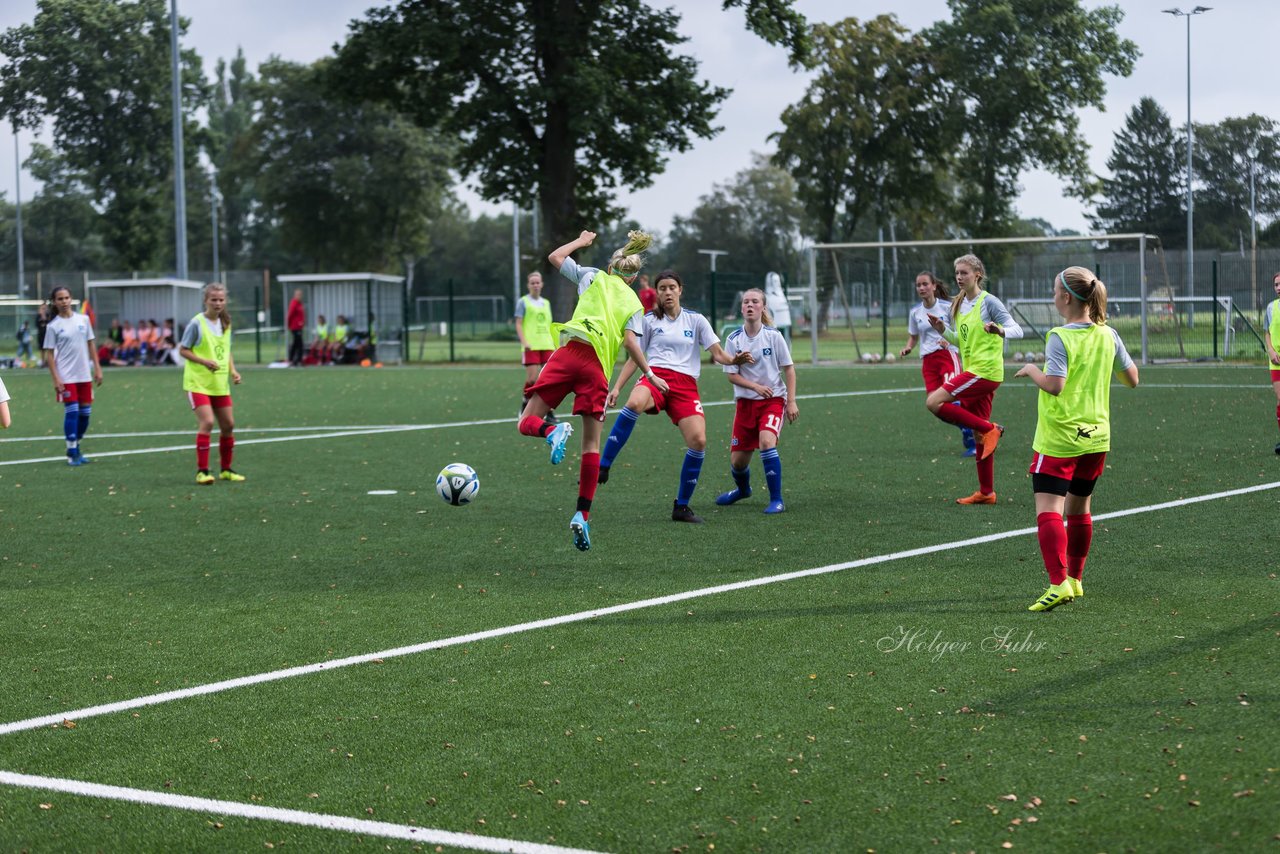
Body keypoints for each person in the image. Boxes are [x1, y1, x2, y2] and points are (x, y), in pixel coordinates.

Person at [519, 229, 668, 552]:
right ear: (632, 278)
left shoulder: (593, 276)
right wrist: (650, 374)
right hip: (596, 368)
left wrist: (581, 242)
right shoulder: (633, 302)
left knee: (526, 422)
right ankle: (582, 515)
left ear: (612, 267)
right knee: (590, 446)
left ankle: (551, 432)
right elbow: (630, 343)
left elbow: (555, 258)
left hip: (569, 353)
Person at [1013, 266, 1139, 611]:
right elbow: (1132, 379)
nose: (1053, 296)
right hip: (1097, 436)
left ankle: (1058, 583)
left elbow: (1055, 385)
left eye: (1055, 291)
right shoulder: (1108, 335)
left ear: (1066, 297)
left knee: (1049, 510)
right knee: (1080, 507)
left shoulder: (1060, 336)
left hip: (1060, 437)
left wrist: (1031, 370)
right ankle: (1077, 580)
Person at [598, 269, 754, 522]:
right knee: (635, 402)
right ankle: (603, 465)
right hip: (656, 376)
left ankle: (681, 507)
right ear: (657, 293)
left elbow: (717, 353)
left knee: (699, 441)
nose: (667, 292)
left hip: (686, 385)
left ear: (680, 290)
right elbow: (635, 358)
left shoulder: (696, 320)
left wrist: (733, 359)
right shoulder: (648, 320)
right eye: (662, 288)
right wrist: (616, 387)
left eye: (672, 287)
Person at [925, 253, 1024, 505]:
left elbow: (1017, 329)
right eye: (957, 273)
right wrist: (942, 331)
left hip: (984, 372)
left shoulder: (989, 302)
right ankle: (986, 492)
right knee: (980, 435)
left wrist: (999, 329)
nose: (959, 277)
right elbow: (961, 340)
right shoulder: (957, 304)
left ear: (977, 275)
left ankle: (991, 429)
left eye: (964, 273)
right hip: (973, 371)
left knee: (934, 402)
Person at [714, 288, 799, 514]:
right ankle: (743, 491)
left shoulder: (774, 336)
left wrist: (791, 401)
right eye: (746, 302)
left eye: (755, 302)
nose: (750, 305)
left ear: (763, 307)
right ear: (741, 308)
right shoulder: (734, 339)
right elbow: (731, 374)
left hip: (773, 400)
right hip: (745, 405)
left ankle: (776, 500)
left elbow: (789, 370)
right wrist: (754, 387)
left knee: (766, 442)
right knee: (738, 463)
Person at [900, 271, 976, 456]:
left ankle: (975, 434)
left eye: (925, 284)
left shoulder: (948, 307)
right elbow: (913, 336)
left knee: (953, 398)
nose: (922, 288)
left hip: (947, 356)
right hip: (928, 362)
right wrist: (908, 347)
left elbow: (961, 330)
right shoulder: (915, 312)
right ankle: (971, 428)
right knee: (935, 406)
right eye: (918, 285)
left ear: (934, 286)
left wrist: (948, 341)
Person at [179, 282, 244, 485]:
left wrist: (233, 371)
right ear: (205, 301)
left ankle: (226, 469)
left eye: (221, 299)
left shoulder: (226, 322)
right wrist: (204, 361)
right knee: (207, 422)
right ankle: (202, 472)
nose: (217, 303)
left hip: (219, 384)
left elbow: (226, 351)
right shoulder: (197, 323)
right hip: (197, 383)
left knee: (228, 425)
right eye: (213, 299)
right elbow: (183, 350)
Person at [42, 286, 103, 465]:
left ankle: (76, 446)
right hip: (66, 377)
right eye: (60, 299)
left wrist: (97, 368)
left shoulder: (83, 320)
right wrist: (56, 378)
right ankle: (71, 452)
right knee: (72, 412)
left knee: (85, 415)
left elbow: (91, 345)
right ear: (54, 302)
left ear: (71, 299)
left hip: (84, 375)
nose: (64, 301)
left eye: (67, 297)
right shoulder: (53, 326)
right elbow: (50, 355)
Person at [514, 271, 558, 420]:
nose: (535, 285)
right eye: (532, 282)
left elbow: (549, 325)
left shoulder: (546, 303)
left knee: (548, 380)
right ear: (528, 285)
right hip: (531, 346)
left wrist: (555, 343)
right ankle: (525, 403)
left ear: (542, 284)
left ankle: (548, 411)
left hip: (547, 345)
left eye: (538, 282)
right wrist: (524, 342)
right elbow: (519, 324)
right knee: (533, 379)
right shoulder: (523, 302)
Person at [1264, 272, 1280, 455]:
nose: (1278, 287)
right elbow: (1267, 332)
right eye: (1276, 285)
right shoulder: (1271, 307)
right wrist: (1271, 350)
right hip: (1276, 361)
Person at [287, 288, 306, 366]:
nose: (300, 296)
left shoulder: (300, 304)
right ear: (295, 295)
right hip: (295, 327)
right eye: (298, 294)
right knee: (298, 344)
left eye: (301, 295)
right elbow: (290, 315)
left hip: (299, 327)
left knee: (298, 344)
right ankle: (294, 360)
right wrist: (289, 325)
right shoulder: (293, 303)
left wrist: (302, 323)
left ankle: (297, 360)